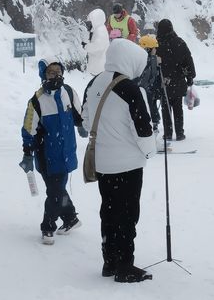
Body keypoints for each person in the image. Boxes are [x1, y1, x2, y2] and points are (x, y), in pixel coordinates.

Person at [82, 39, 155, 283]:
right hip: (128, 165)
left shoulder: (93, 83)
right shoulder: (131, 89)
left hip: (102, 163)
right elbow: (143, 131)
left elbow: (85, 121)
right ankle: (125, 266)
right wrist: (149, 152)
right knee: (127, 214)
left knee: (109, 211)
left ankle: (109, 261)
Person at [20, 58, 88, 245]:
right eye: (51, 72)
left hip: (66, 152)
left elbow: (77, 114)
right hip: (46, 155)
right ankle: (59, 222)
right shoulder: (37, 100)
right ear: (44, 74)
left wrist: (82, 124)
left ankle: (59, 222)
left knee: (56, 190)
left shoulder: (68, 92)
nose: (56, 76)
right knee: (56, 191)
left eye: (58, 72)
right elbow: (28, 129)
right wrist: (27, 153)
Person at [155, 18, 196, 141]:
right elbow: (188, 60)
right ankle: (179, 133)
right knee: (178, 108)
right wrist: (190, 77)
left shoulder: (157, 44)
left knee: (165, 108)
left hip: (164, 82)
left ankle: (168, 133)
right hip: (178, 81)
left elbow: (153, 64)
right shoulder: (179, 43)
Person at [137, 34, 161, 131]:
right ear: (148, 49)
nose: (156, 50)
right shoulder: (150, 60)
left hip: (147, 90)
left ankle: (153, 121)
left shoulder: (140, 59)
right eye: (154, 48)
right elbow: (151, 76)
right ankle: (153, 122)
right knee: (150, 106)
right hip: (148, 90)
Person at [85, 8, 109, 75]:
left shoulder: (100, 30)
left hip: (98, 67)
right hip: (97, 65)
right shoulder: (97, 30)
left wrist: (86, 46)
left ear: (95, 21)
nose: (88, 26)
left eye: (90, 23)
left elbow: (98, 46)